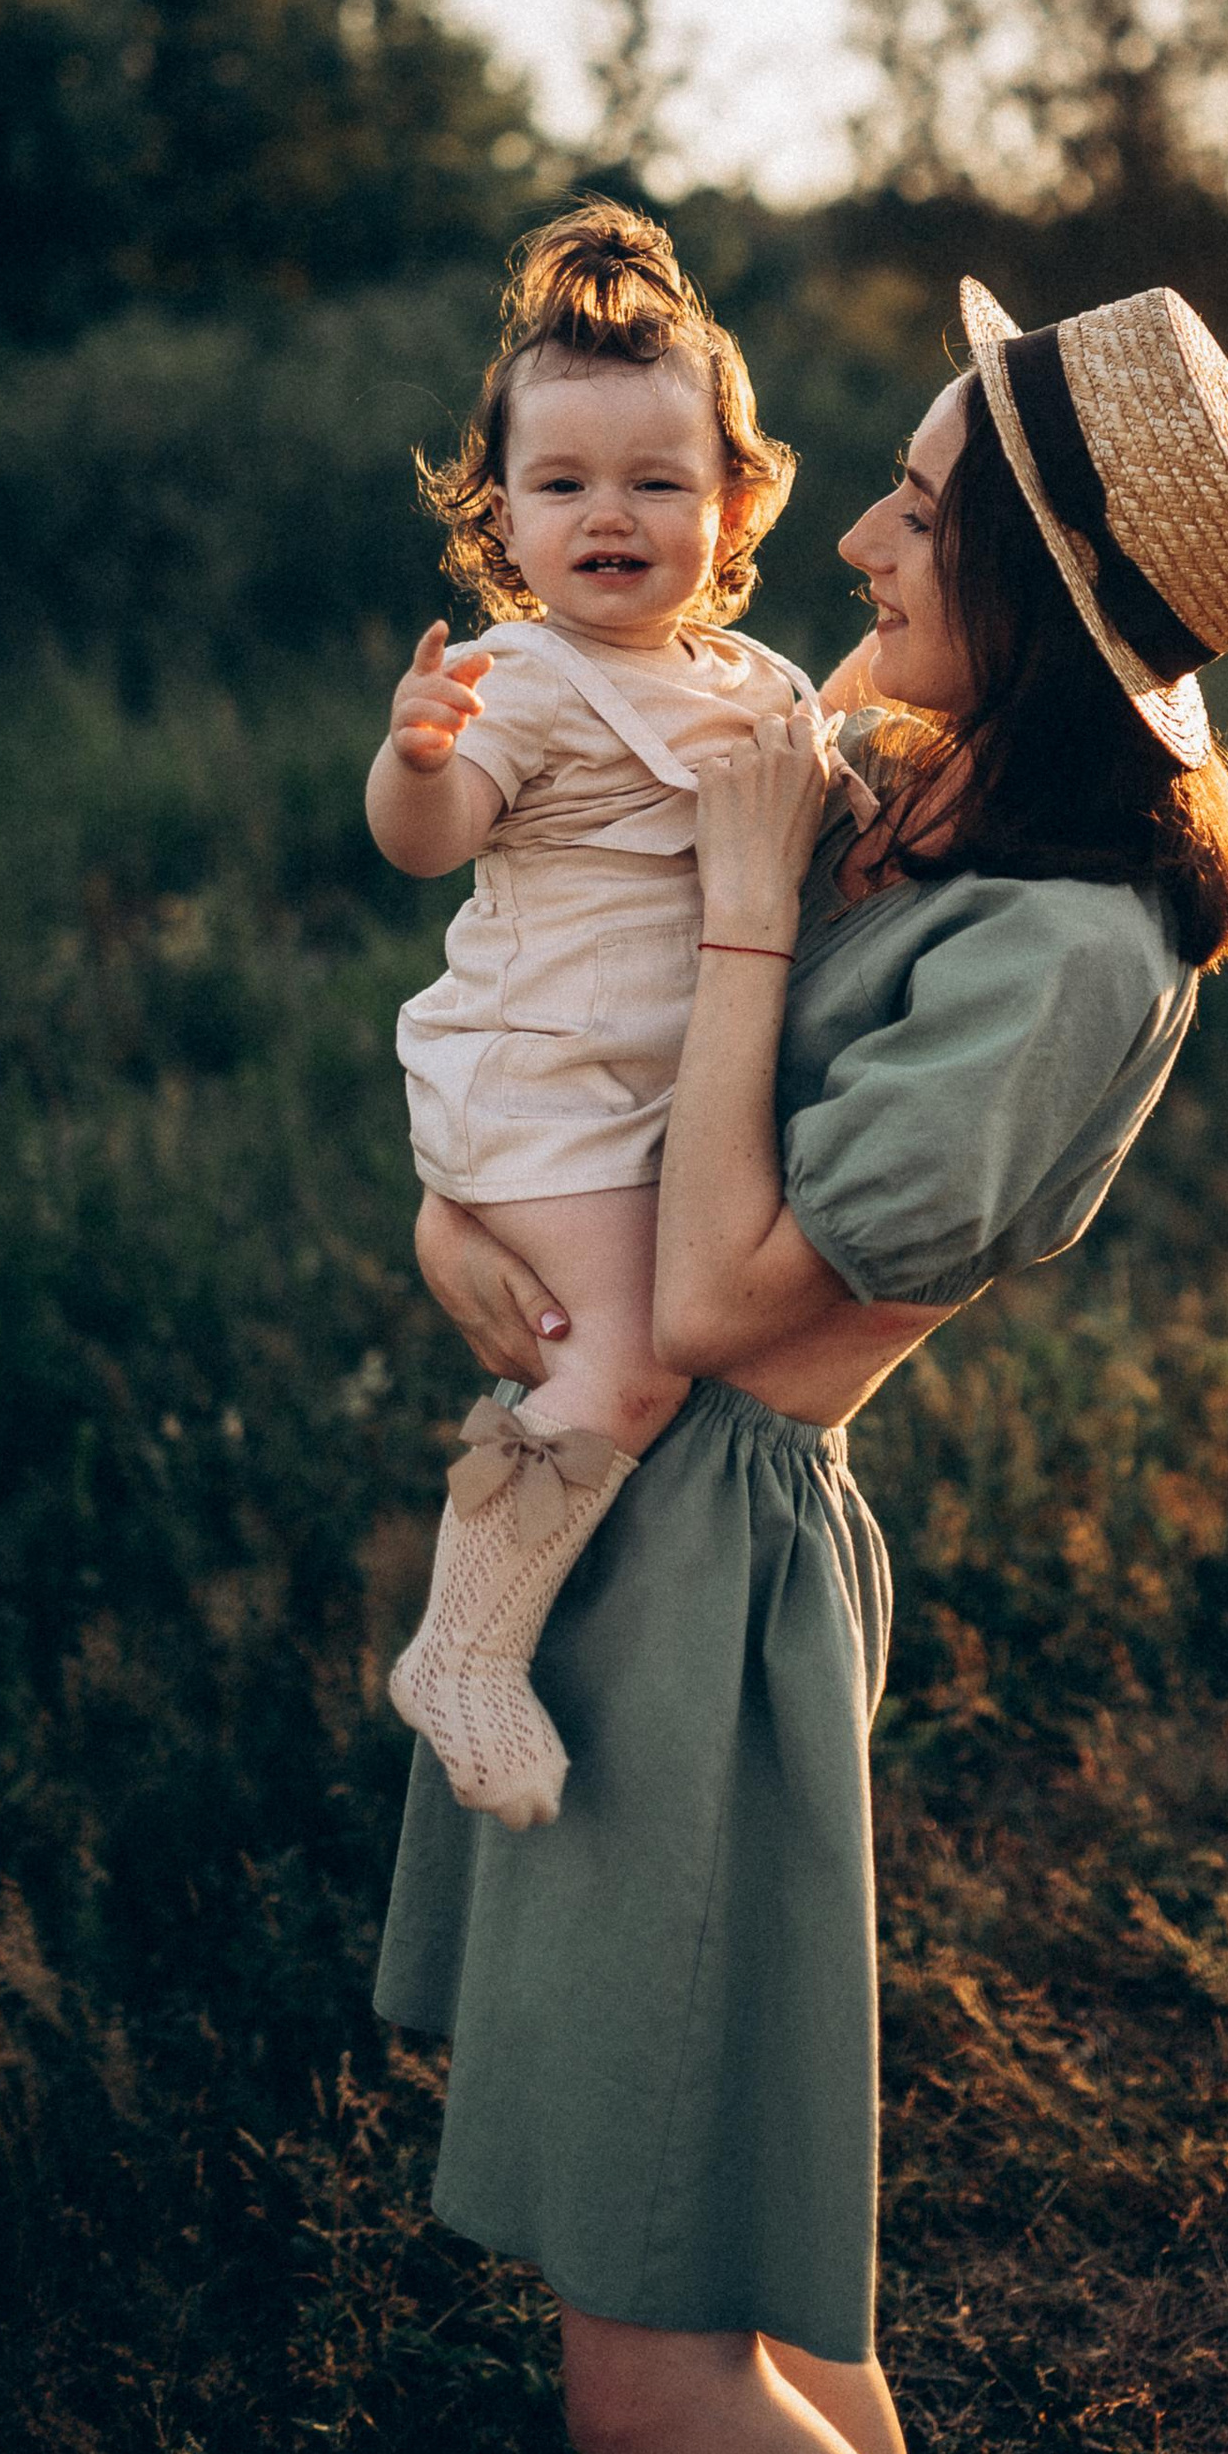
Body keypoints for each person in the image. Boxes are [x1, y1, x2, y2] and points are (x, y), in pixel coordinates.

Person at [375, 273, 1228, 2454]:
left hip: (698, 1570)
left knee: (653, 2403)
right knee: (760, 2292)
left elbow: (705, 1297)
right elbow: (580, 1066)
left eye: (910, 508)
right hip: (632, 1521)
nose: (860, 544)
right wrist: (443, 1210)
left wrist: (744, 900)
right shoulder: (934, 796)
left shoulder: (1071, 944)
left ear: (1034, 586)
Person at [369, 198, 859, 1826]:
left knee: (657, 1356)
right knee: (630, 1362)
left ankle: (555, 1611)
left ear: (734, 501)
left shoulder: (759, 684)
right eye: (564, 484)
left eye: (660, 481)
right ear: (501, 511)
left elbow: (834, 805)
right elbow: (427, 847)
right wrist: (418, 758)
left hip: (662, 1101)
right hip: (540, 1086)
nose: (612, 516)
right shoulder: (522, 676)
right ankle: (462, 1648)